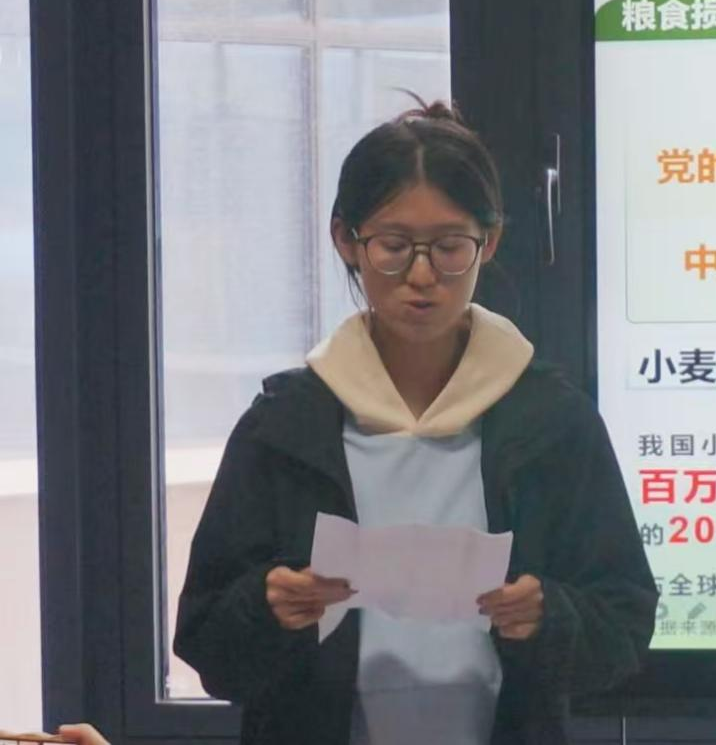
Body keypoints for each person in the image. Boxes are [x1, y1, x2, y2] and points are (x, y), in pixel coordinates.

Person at [174, 99, 658, 745]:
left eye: (450, 247)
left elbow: (624, 624)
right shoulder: (285, 428)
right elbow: (206, 643)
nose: (422, 276)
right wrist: (268, 607)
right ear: (347, 241)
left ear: (490, 241)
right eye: (394, 247)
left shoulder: (552, 423)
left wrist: (550, 617)